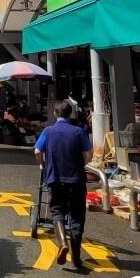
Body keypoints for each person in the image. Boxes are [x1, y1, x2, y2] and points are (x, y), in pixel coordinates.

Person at [34, 99, 91, 268]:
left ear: (54, 114)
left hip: (55, 178)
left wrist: (42, 164)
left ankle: (62, 243)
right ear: (70, 114)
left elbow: (37, 151)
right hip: (76, 179)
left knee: (57, 210)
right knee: (77, 216)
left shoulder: (48, 131)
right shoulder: (78, 132)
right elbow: (88, 154)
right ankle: (76, 257)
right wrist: (82, 164)